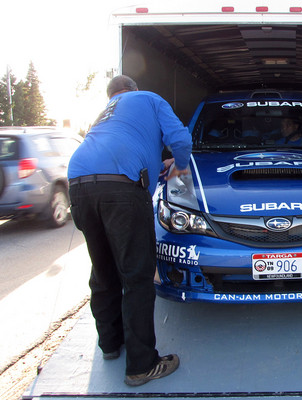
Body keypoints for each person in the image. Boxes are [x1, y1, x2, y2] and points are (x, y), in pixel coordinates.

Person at [68, 75, 192, 386]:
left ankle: (110, 345)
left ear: (112, 95)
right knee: (137, 276)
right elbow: (181, 138)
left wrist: (153, 163)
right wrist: (179, 163)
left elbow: (118, 147)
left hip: (79, 184)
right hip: (122, 190)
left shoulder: (105, 114)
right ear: (133, 90)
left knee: (103, 270)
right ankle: (142, 365)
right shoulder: (148, 98)